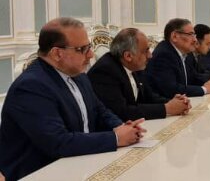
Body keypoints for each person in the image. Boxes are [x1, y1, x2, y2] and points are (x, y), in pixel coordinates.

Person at [0, 18, 144, 180]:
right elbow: (58, 142)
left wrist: (123, 127)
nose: (91, 54)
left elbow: (99, 111)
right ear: (57, 53)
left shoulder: (78, 75)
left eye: (89, 47)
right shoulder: (30, 87)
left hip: (80, 163)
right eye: (82, 49)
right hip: (42, 173)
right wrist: (116, 138)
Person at [88, 28, 191, 121]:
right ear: (128, 56)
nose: (150, 56)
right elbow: (121, 112)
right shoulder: (105, 71)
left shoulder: (135, 66)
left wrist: (175, 102)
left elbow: (149, 97)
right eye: (146, 51)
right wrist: (167, 108)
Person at [146, 18, 210, 98]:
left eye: (194, 35)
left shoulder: (184, 54)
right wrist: (205, 89)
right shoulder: (164, 54)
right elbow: (171, 89)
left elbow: (192, 78)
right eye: (191, 34)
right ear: (174, 36)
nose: (195, 40)